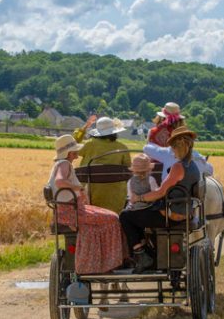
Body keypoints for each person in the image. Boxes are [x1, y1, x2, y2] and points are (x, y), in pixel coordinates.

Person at [120, 126, 201, 273]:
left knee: (126, 216)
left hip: (170, 215)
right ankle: (150, 255)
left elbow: (160, 192)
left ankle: (142, 255)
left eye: (173, 148)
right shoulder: (193, 166)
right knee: (140, 215)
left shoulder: (178, 167)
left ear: (177, 148)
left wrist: (140, 198)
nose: (172, 151)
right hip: (185, 212)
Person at [47, 135, 125, 274]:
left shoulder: (61, 164)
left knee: (107, 215)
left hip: (71, 209)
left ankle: (101, 261)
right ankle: (108, 263)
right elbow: (60, 181)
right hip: (71, 212)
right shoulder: (64, 164)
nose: (77, 155)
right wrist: (80, 188)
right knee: (113, 218)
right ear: (69, 153)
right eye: (75, 152)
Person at [72, 116, 131, 214]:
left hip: (92, 195)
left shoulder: (90, 145)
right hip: (116, 197)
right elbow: (128, 169)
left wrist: (84, 128)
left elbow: (72, 145)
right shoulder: (122, 147)